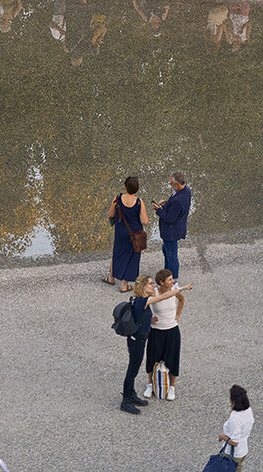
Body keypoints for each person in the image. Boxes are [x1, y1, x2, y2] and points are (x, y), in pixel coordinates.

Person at [120, 274, 193, 415]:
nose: (153, 286)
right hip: (137, 341)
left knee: (133, 369)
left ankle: (131, 394)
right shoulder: (143, 300)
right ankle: (126, 400)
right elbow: (164, 297)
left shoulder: (139, 300)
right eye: (149, 284)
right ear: (142, 287)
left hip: (139, 339)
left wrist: (150, 320)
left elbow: (141, 317)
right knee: (132, 371)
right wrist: (182, 288)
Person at [143, 269, 185, 401]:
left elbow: (182, 300)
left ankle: (171, 387)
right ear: (161, 282)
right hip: (156, 331)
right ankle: (150, 384)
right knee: (152, 357)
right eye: (170, 280)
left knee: (172, 357)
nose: (173, 282)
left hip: (172, 329)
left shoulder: (174, 290)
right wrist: (149, 320)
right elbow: (141, 308)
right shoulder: (154, 292)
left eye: (172, 279)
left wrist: (178, 315)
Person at [107, 175, 148, 293]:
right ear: (137, 189)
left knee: (117, 253)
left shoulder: (117, 198)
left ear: (125, 187)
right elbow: (144, 221)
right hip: (134, 234)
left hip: (120, 232)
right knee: (132, 258)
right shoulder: (139, 202)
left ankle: (111, 278)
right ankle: (124, 285)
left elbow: (110, 214)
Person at [152, 173, 192, 280]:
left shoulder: (178, 200)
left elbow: (170, 218)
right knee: (167, 251)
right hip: (177, 228)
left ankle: (172, 278)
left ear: (177, 184)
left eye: (172, 183)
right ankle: (167, 273)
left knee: (171, 256)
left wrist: (159, 210)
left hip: (171, 232)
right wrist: (166, 204)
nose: (170, 185)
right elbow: (177, 211)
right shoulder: (186, 190)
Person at [219, 385, 254, 468]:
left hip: (232, 455)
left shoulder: (235, 418)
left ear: (232, 400)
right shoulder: (248, 410)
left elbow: (235, 442)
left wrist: (223, 437)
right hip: (243, 450)